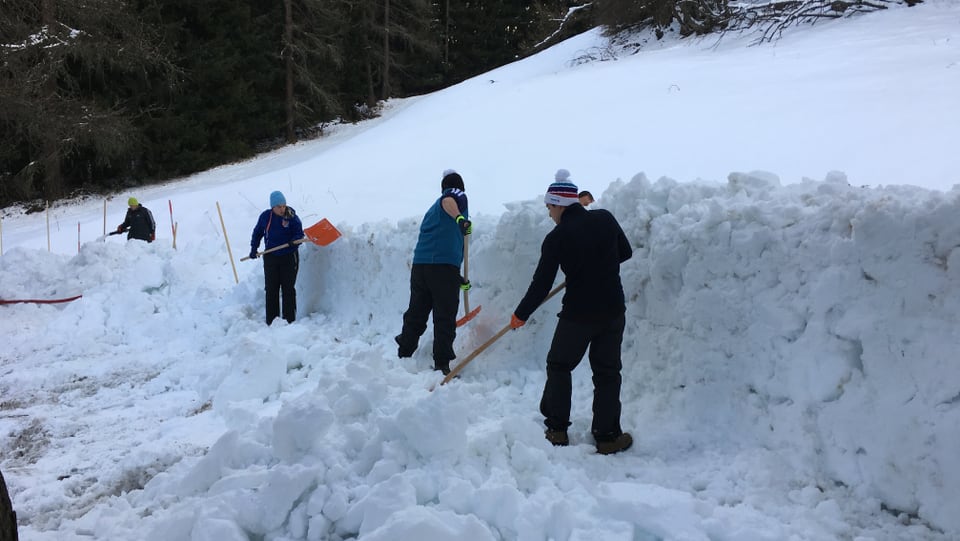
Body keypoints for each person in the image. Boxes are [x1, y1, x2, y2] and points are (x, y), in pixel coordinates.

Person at [510, 169, 634, 455]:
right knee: (607, 372)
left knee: (559, 365)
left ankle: (556, 430)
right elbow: (625, 253)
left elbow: (541, 285)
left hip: (579, 314)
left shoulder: (557, 238)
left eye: (549, 208)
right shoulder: (605, 218)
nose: (549, 214)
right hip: (614, 310)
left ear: (558, 204)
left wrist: (521, 314)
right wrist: (600, 261)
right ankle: (608, 436)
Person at [395, 169, 471, 375]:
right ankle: (442, 364)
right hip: (441, 268)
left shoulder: (432, 211)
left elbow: (442, 240)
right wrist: (459, 219)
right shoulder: (455, 196)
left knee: (417, 311)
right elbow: (449, 200)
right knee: (445, 316)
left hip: (422, 266)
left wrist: (456, 276)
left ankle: (405, 351)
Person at [249, 191, 305, 325]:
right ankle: (272, 321)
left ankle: (289, 320)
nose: (282, 209)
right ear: (272, 207)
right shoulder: (265, 217)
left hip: (289, 256)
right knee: (271, 289)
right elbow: (257, 233)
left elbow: (299, 234)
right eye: (278, 206)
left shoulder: (291, 217)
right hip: (271, 256)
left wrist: (294, 240)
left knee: (288, 288)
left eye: (283, 205)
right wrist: (253, 248)